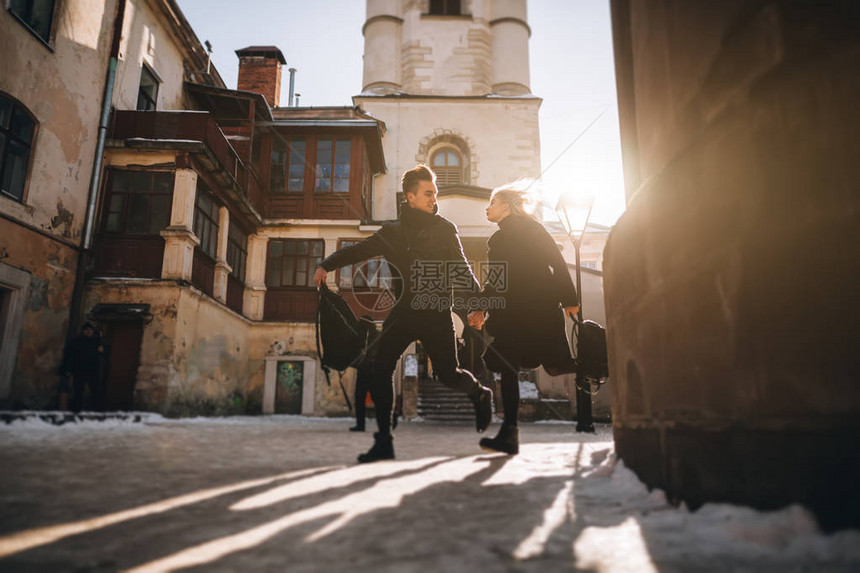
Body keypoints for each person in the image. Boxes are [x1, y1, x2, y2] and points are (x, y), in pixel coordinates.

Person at [314, 165, 493, 463]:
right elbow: (360, 250)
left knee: (449, 374)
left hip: (436, 312)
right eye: (427, 193)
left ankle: (479, 394)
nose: (433, 198)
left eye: (434, 193)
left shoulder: (445, 228)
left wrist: (478, 304)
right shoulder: (392, 232)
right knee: (377, 367)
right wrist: (327, 264)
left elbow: (461, 269)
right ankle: (384, 440)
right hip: (405, 310)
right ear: (410, 197)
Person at [468, 183, 579, 455]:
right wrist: (482, 307)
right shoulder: (507, 236)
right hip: (523, 313)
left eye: (492, 202)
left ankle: (596, 366)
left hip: (532, 312)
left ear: (506, 206)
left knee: (547, 366)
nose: (487, 207)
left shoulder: (521, 232)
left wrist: (570, 299)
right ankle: (509, 434)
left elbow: (555, 261)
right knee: (510, 367)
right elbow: (500, 280)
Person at [59, 322, 105, 412]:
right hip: (79, 370)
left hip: (93, 371)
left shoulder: (96, 342)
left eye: (90, 330)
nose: (88, 332)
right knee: (78, 392)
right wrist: (67, 369)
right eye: (86, 330)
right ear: (83, 331)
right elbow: (69, 356)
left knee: (95, 392)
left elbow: (104, 354)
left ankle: (96, 411)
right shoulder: (76, 342)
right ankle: (76, 411)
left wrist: (101, 348)